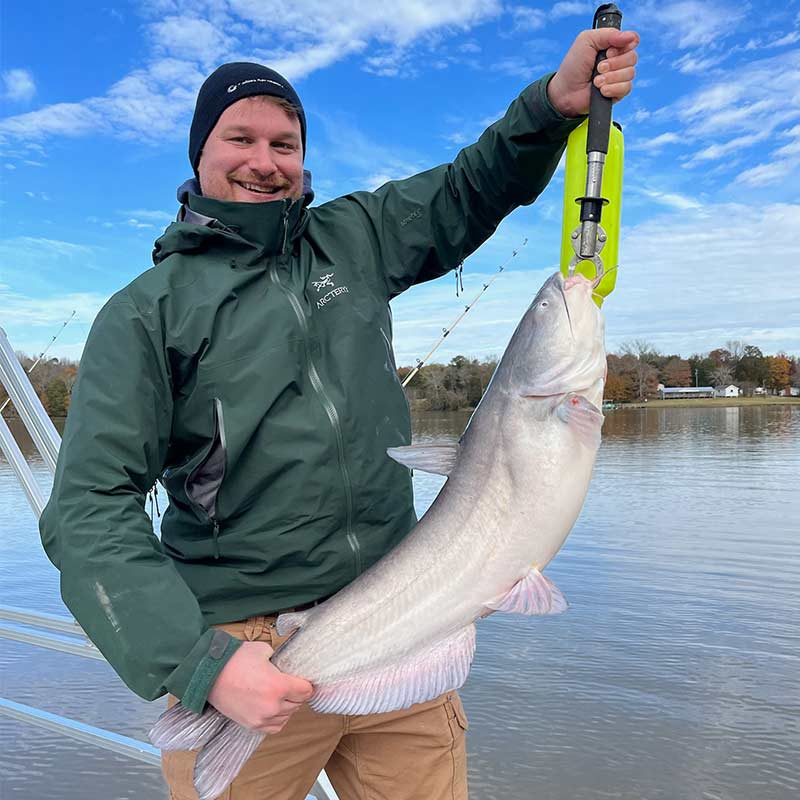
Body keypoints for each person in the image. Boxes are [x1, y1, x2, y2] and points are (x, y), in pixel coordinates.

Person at [39, 26, 639, 800]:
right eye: (241, 138)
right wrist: (200, 667)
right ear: (200, 154)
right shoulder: (144, 315)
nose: (265, 160)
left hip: (402, 613)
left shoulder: (352, 238)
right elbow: (88, 508)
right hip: (244, 650)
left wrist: (552, 108)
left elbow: (465, 191)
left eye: (285, 142)